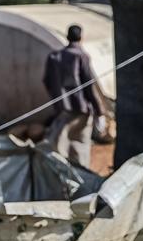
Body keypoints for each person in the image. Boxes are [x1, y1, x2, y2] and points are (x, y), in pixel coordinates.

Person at [42, 24, 106, 168]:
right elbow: (89, 86)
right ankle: (80, 184)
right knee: (79, 148)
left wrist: (58, 100)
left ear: (67, 37)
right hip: (81, 111)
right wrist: (99, 112)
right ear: (81, 38)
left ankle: (61, 180)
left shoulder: (54, 57)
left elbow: (47, 81)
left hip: (62, 110)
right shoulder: (81, 56)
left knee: (59, 146)